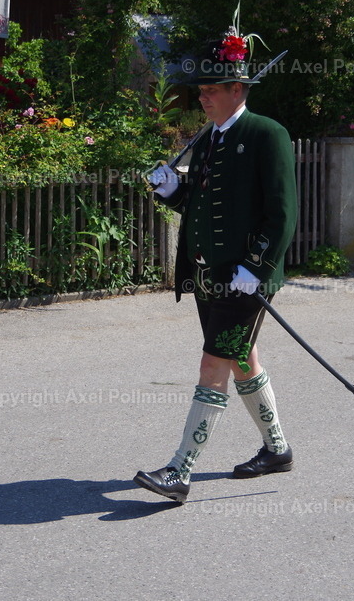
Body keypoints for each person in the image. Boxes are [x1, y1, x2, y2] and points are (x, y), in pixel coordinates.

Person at [133, 25, 298, 503]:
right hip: (208, 277)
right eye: (200, 90)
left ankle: (179, 470)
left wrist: (257, 268)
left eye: (211, 90)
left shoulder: (268, 134)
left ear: (237, 90)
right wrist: (173, 191)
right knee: (240, 359)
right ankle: (278, 450)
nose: (202, 97)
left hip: (244, 281)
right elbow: (202, 207)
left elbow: (282, 212)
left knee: (214, 364)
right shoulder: (207, 141)